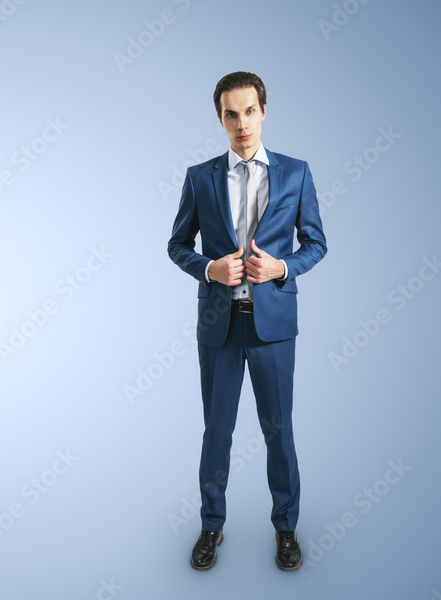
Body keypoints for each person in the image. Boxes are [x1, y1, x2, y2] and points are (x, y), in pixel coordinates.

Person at [167, 71, 327, 571]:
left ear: (263, 111)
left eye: (249, 111)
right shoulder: (200, 177)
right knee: (217, 431)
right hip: (219, 325)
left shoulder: (296, 173)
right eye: (230, 114)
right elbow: (176, 245)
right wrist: (209, 268)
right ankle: (211, 526)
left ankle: (286, 528)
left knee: (279, 430)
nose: (241, 123)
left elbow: (316, 244)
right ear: (220, 118)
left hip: (273, 327)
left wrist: (281, 267)